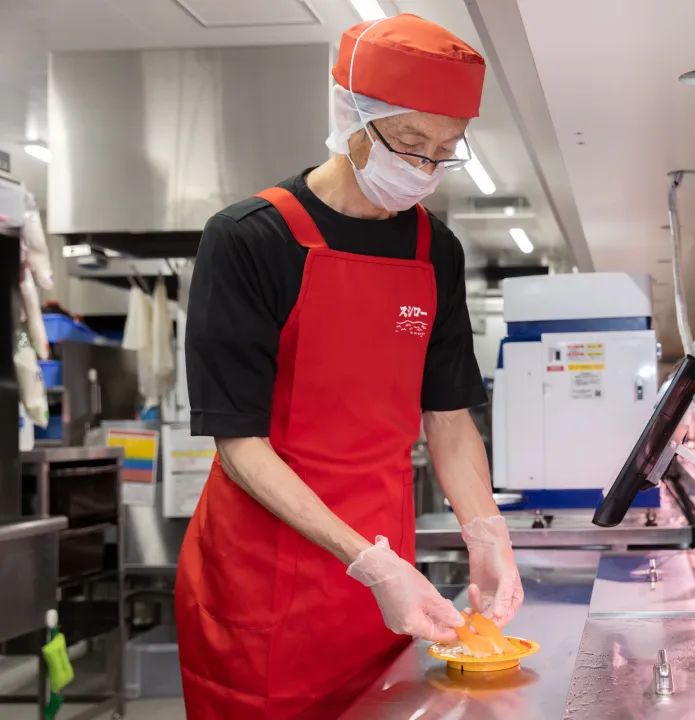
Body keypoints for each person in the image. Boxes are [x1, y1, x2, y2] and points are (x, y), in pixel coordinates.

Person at [174, 14, 524, 718]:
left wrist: (486, 531)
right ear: (350, 117)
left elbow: (448, 416)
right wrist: (367, 561)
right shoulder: (250, 239)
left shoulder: (436, 251)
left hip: (386, 582)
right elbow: (240, 443)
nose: (425, 169)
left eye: (445, 150)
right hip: (262, 578)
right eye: (411, 143)